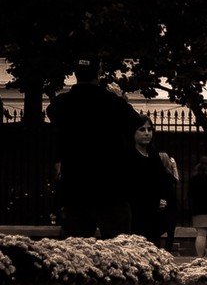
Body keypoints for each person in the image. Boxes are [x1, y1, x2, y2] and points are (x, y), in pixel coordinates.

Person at [48, 61, 142, 238]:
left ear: (75, 73)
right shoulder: (112, 102)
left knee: (75, 250)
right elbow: (134, 121)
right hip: (109, 188)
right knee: (118, 248)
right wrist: (120, 98)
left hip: (75, 188)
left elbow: (52, 113)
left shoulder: (62, 104)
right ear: (98, 73)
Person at [126, 120, 180, 249]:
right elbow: (132, 187)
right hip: (135, 215)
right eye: (142, 129)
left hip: (155, 217)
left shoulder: (154, 156)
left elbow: (162, 182)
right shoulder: (129, 155)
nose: (147, 133)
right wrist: (154, 201)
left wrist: (164, 201)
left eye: (149, 130)